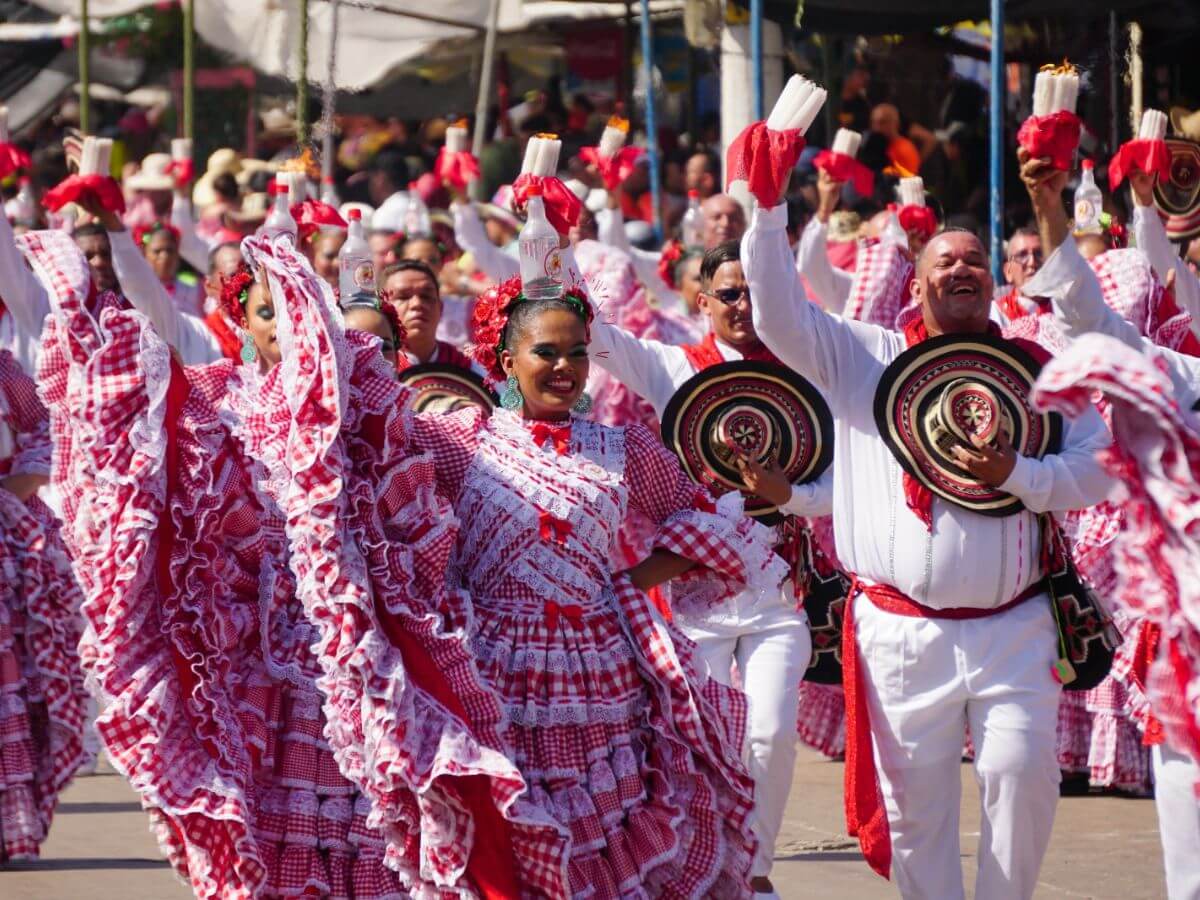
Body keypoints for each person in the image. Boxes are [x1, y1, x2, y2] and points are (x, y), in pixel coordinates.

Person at [30, 228, 532, 898]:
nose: (283, 328)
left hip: (350, 647)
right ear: (243, 319)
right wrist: (84, 303)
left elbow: (424, 503)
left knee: (366, 820)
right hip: (247, 650)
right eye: (267, 313)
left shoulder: (361, 402)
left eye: (294, 313)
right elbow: (150, 420)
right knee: (263, 814)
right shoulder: (217, 395)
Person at [276, 238, 777, 895]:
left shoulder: (623, 447)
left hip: (602, 678)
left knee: (599, 836)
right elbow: (365, 442)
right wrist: (351, 321)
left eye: (577, 352)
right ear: (507, 359)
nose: (565, 367)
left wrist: (627, 585)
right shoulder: (465, 439)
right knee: (509, 841)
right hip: (494, 678)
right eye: (547, 352)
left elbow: (707, 518)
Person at [743, 143, 1111, 899]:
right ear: (916, 281)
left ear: (994, 279)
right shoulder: (865, 359)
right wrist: (768, 207)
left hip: (1018, 624)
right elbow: (778, 315)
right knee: (919, 814)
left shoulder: (1036, 368)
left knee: (1022, 777)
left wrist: (1020, 475)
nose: (961, 270)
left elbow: (1099, 466)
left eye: (974, 259)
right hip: (900, 631)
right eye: (944, 261)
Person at [589, 240, 829, 897]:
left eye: (753, 291)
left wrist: (794, 498)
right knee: (696, 739)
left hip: (778, 591)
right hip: (694, 599)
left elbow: (843, 483)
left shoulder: (804, 370)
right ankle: (701, 867)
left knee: (772, 734)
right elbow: (596, 338)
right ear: (702, 303)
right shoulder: (673, 367)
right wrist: (545, 243)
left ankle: (754, 872)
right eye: (729, 293)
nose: (743, 305)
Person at [0, 343, 90, 862]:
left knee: (17, 688)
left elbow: (46, 430)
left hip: (11, 544)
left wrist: (19, 486)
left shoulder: (4, 367)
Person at [379, 260, 475, 370]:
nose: (417, 304)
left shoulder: (469, 369)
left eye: (426, 296)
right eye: (403, 297)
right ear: (383, 308)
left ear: (440, 308)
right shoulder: (373, 372)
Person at [869, 103, 922, 177]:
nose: (876, 128)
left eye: (882, 122)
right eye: (874, 122)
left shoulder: (905, 149)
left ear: (896, 123)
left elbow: (908, 181)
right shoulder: (874, 146)